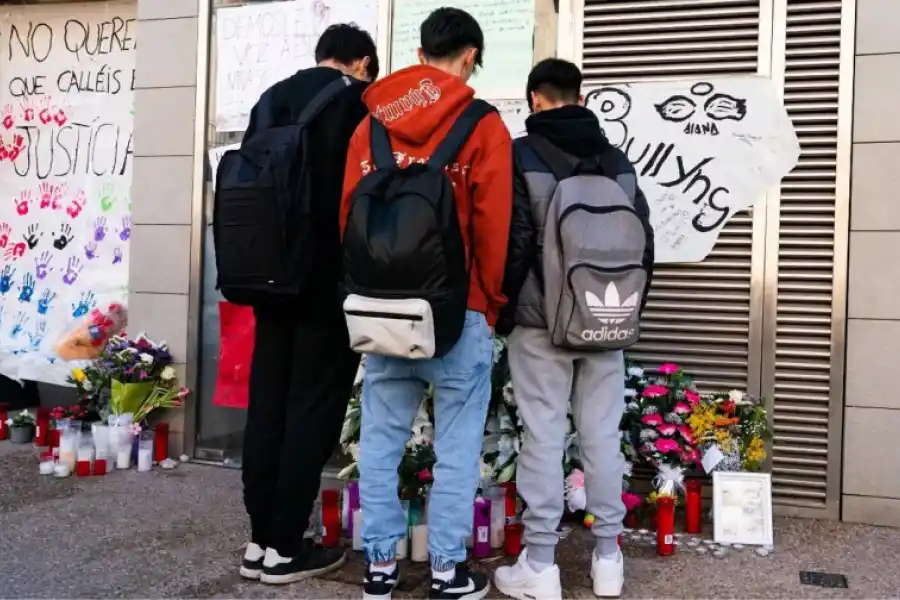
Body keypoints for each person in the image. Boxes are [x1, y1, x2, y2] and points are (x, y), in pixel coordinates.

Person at [339, 8, 512, 600]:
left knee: (382, 445)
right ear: (470, 56)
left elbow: (348, 220)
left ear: (420, 55)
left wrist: (360, 295)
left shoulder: (372, 126)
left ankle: (381, 569)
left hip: (383, 310)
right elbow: (494, 224)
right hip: (458, 309)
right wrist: (487, 302)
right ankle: (446, 571)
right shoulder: (482, 123)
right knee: (458, 446)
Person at [493, 58, 654, 600]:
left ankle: (540, 564)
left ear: (535, 98)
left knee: (542, 435)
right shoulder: (617, 160)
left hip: (542, 325)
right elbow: (644, 246)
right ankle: (608, 559)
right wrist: (623, 313)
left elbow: (514, 242)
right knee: (602, 436)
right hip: (607, 324)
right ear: (579, 95)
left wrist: (505, 309)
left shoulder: (522, 155)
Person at [238, 24, 379, 585]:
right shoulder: (356, 104)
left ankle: (259, 540)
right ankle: (288, 546)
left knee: (267, 405)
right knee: (311, 411)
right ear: (363, 62)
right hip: (325, 284)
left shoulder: (269, 98)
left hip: (266, 280)